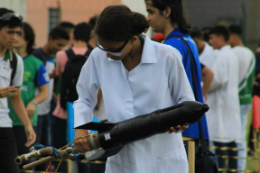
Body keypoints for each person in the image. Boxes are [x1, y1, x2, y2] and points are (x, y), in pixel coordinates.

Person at [74, 5, 195, 173]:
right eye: (102, 47)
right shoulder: (98, 56)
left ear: (133, 39)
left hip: (163, 161)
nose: (107, 55)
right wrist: (80, 128)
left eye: (114, 50)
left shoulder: (167, 56)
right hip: (120, 161)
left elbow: (186, 103)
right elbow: (84, 98)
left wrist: (180, 121)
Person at [145, 0, 209, 144]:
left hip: (179, 130)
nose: (147, 18)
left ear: (167, 12)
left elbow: (161, 92)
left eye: (151, 12)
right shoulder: (188, 40)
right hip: (195, 128)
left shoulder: (170, 46)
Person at [52, 22, 92, 173]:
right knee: (85, 154)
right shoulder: (93, 54)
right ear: (90, 36)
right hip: (86, 114)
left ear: (73, 35)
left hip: (63, 111)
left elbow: (61, 76)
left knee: (61, 152)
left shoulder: (62, 55)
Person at [0, 8, 36, 173]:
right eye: (9, 32)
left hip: (5, 126)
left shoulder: (16, 61)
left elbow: (16, 97)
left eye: (16, 32)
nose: (14, 37)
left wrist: (28, 126)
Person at [9, 22, 49, 169]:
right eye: (12, 32)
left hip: (26, 121)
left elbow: (45, 91)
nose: (14, 36)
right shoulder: (6, 60)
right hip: (6, 119)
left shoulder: (36, 63)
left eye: (19, 34)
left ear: (28, 39)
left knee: (25, 164)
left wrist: (33, 102)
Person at [33, 26, 69, 171]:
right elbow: (38, 81)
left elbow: (48, 85)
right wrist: (54, 75)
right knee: (35, 150)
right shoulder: (37, 56)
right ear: (49, 39)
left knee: (45, 150)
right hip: (36, 110)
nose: (60, 48)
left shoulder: (51, 57)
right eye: (58, 44)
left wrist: (54, 97)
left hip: (47, 109)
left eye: (63, 46)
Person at [207, 26, 241, 172]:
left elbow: (218, 79)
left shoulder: (222, 56)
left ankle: (220, 169)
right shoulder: (232, 55)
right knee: (231, 138)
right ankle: (233, 169)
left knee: (220, 138)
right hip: (230, 100)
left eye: (212, 38)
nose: (210, 41)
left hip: (220, 101)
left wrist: (204, 86)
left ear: (221, 38)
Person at [228, 24, 255, 172]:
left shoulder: (234, 53)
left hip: (236, 100)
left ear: (233, 36)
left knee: (235, 137)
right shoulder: (249, 52)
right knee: (241, 136)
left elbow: (234, 80)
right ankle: (240, 167)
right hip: (247, 99)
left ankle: (237, 168)